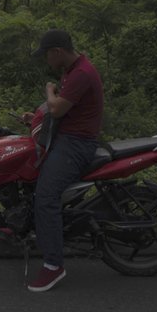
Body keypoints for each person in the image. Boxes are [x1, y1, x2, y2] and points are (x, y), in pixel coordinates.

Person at [22, 28, 104, 293]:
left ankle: (54, 266)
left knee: (45, 196)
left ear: (58, 51)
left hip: (76, 144)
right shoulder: (73, 69)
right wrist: (35, 117)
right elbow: (62, 110)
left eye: (47, 54)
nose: (46, 60)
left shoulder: (80, 73)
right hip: (69, 138)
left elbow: (57, 108)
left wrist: (49, 90)